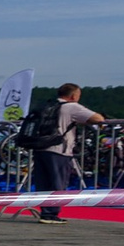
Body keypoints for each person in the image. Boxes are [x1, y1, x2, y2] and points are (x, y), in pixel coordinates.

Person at [32, 83, 99, 223]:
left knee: (43, 182)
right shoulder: (72, 107)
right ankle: (51, 214)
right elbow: (98, 118)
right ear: (73, 95)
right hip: (59, 149)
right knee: (58, 182)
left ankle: (45, 211)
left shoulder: (48, 105)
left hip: (40, 146)